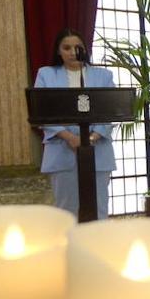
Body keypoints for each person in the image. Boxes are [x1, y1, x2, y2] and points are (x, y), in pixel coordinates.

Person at [33, 28, 117, 219]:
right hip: (62, 150)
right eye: (67, 47)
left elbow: (111, 111)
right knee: (66, 212)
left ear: (85, 49)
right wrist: (70, 137)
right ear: (58, 51)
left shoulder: (103, 75)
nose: (72, 52)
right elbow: (41, 111)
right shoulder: (46, 74)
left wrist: (90, 138)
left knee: (99, 210)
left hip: (98, 151)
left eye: (77, 47)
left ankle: (97, 248)